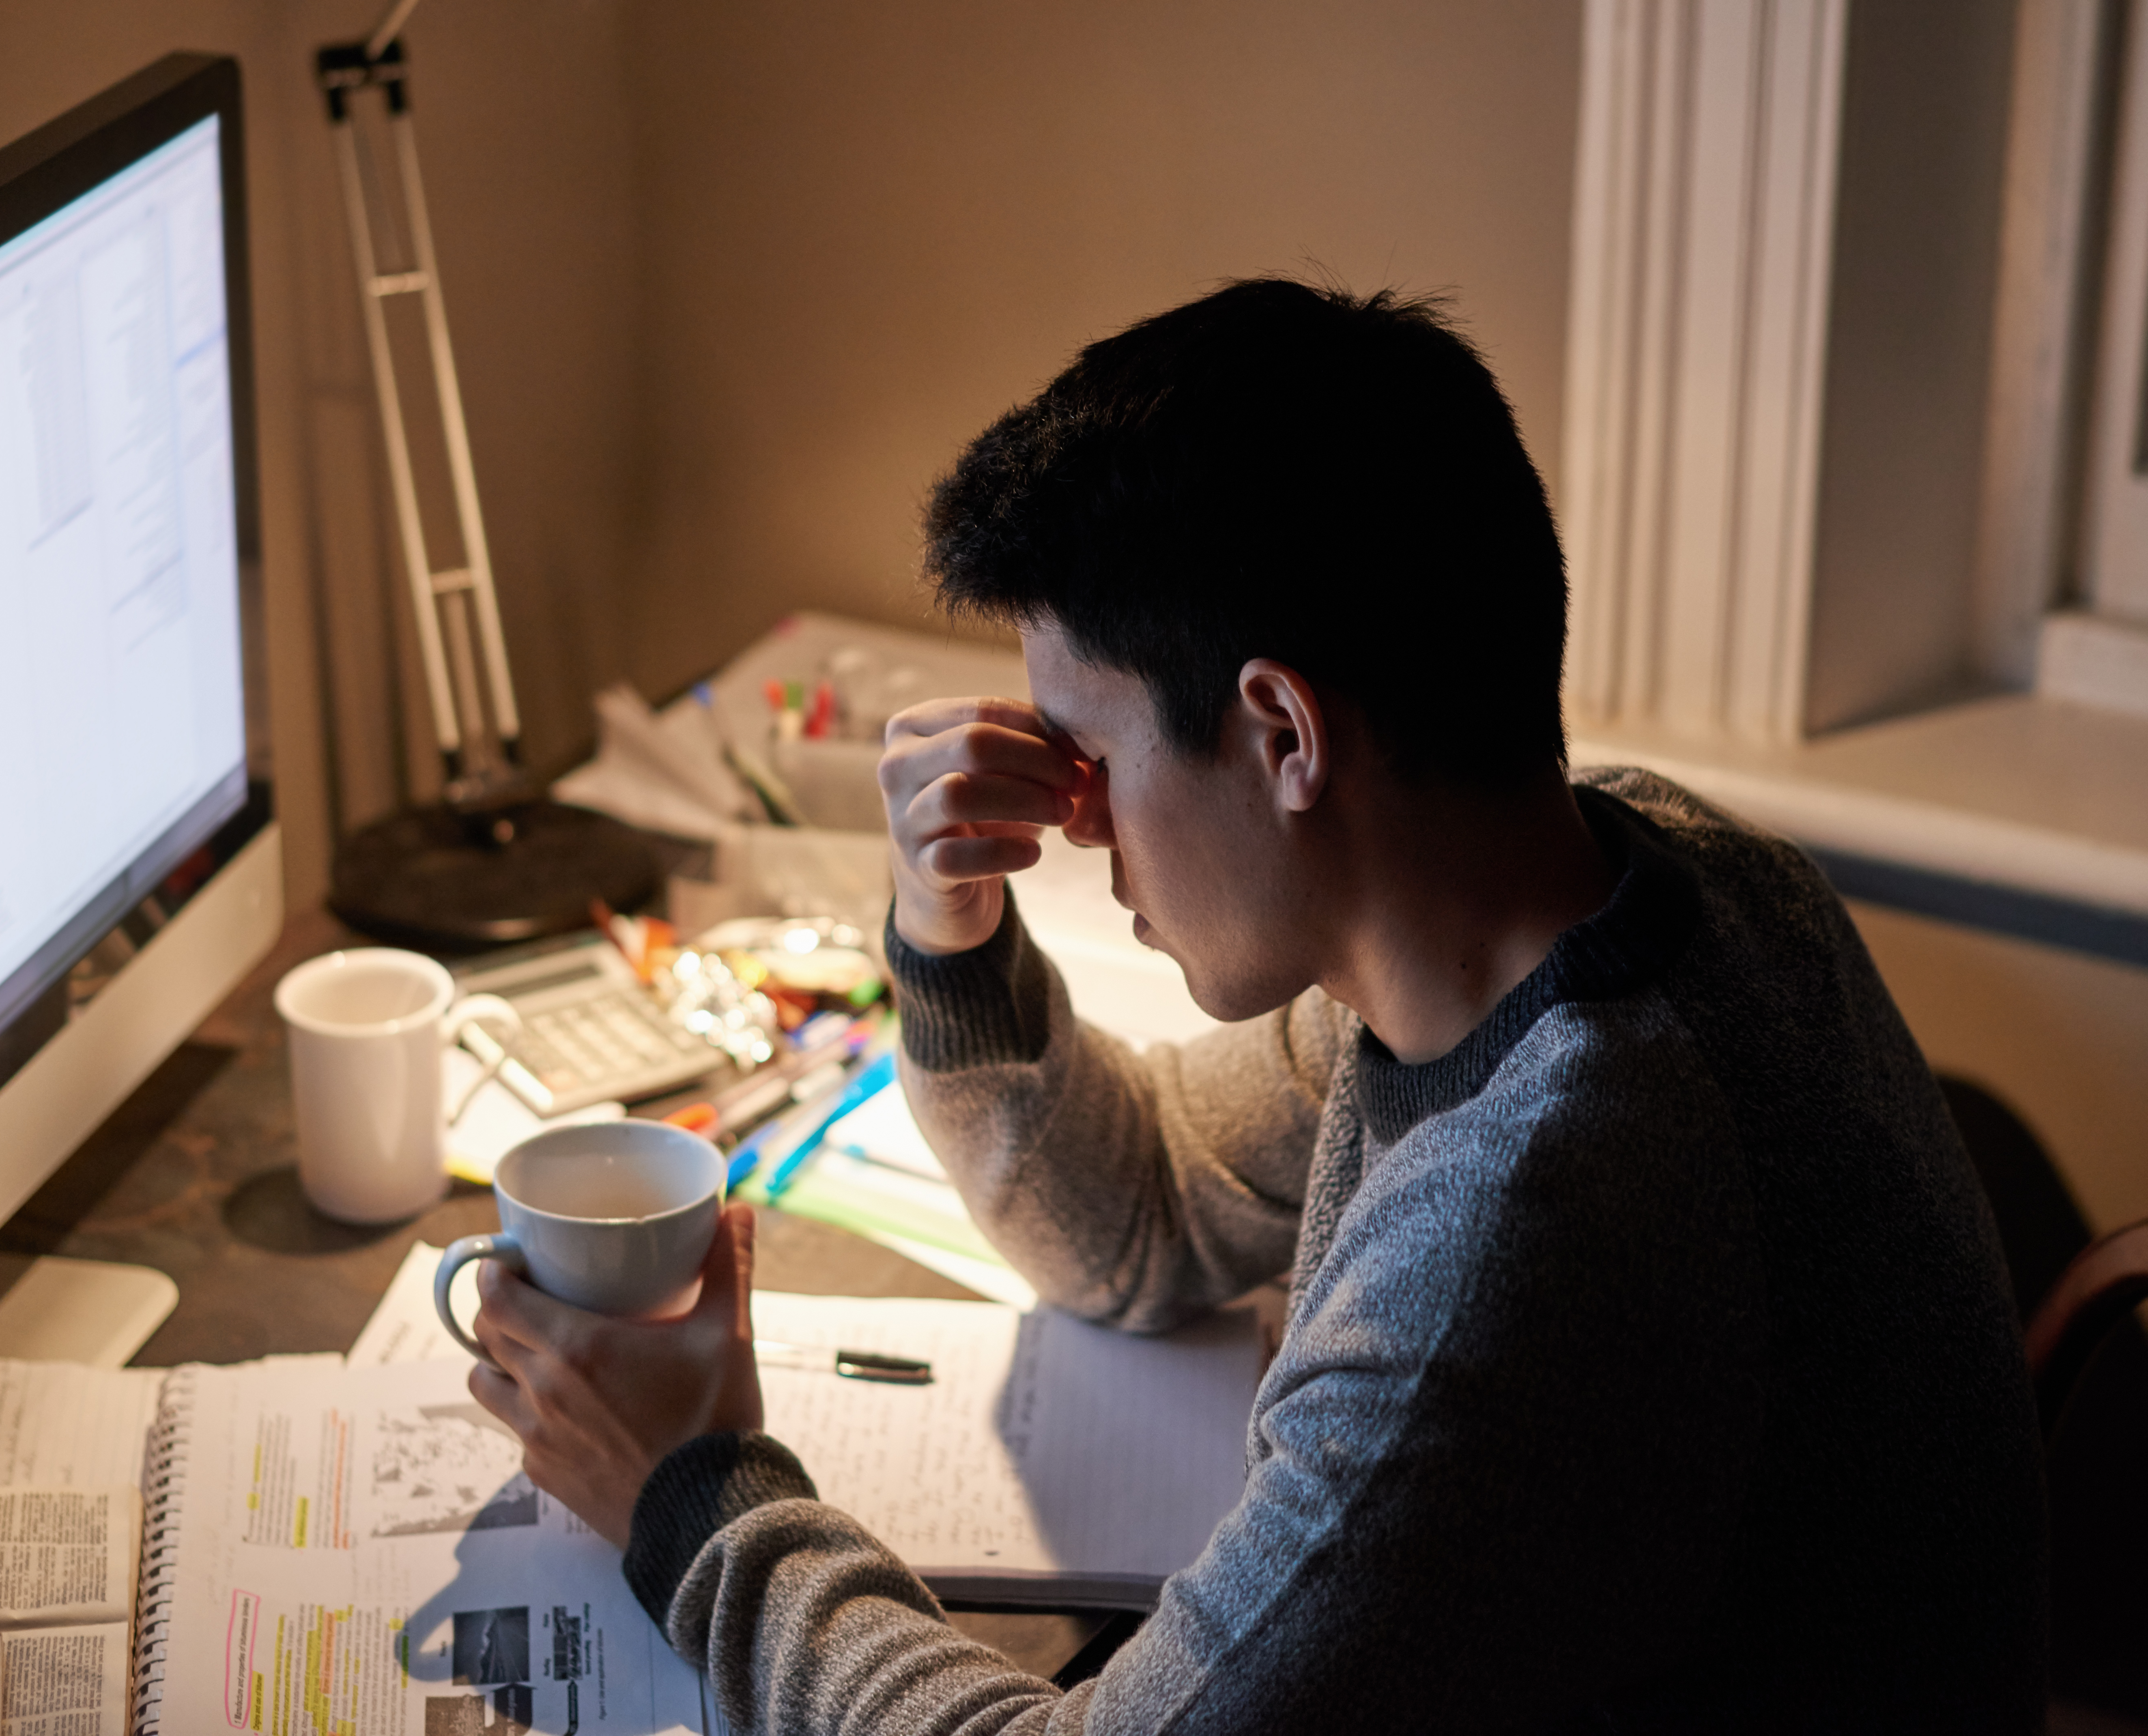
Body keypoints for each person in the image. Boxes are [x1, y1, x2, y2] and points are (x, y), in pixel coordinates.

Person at [464, 279, 2048, 1730]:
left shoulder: (1516, 1246)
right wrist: (948, 935)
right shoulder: (1605, 884)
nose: (1073, 823)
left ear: (1282, 731)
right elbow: (1143, 1213)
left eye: (1090, 753)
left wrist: (696, 1498)